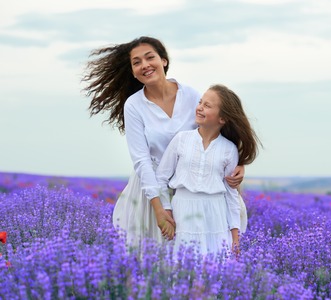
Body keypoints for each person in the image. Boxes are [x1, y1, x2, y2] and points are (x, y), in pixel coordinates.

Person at [82, 36, 246, 250]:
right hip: (151, 191)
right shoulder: (134, 106)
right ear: (133, 71)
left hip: (191, 186)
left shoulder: (190, 96)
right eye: (137, 62)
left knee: (204, 254)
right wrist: (159, 208)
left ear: (164, 61)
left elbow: (217, 132)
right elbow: (141, 160)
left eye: (150, 58)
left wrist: (239, 163)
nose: (145, 65)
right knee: (155, 259)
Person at [155, 84, 260, 256]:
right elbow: (161, 178)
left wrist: (235, 238)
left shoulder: (229, 149)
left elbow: (231, 194)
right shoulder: (182, 139)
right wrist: (166, 210)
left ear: (222, 119)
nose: (200, 108)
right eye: (200, 102)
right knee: (182, 268)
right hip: (183, 210)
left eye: (207, 106)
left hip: (215, 213)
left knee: (214, 268)